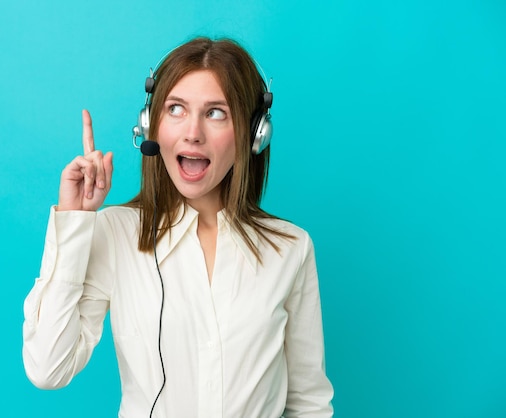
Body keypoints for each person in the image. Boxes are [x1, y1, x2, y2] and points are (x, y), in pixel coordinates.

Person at [22, 36, 334, 417]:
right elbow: (47, 367)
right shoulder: (117, 233)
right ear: (151, 126)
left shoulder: (290, 248)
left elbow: (308, 403)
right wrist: (75, 222)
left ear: (253, 135)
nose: (192, 132)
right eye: (176, 109)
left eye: (216, 112)